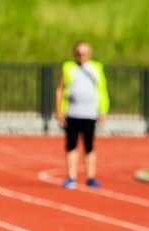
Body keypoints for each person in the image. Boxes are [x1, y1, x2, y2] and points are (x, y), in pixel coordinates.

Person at [55, 41, 110, 189]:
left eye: (84, 53)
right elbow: (60, 89)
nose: (81, 55)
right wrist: (59, 110)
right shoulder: (68, 67)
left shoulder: (96, 68)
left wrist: (103, 110)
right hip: (72, 113)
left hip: (90, 113)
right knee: (71, 145)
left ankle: (90, 176)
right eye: (79, 53)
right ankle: (71, 176)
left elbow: (102, 90)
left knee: (89, 146)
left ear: (89, 54)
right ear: (75, 54)